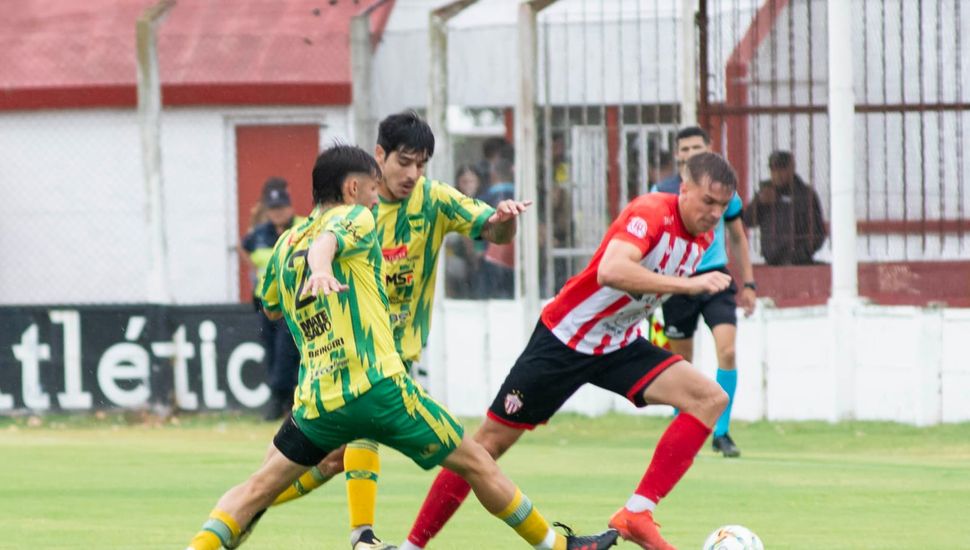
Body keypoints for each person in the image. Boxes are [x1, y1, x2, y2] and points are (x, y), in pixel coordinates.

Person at [185, 144, 618, 550]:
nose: (377, 201)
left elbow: (273, 310)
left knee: (256, 488)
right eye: (373, 191)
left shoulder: (282, 246)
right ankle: (560, 545)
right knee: (477, 462)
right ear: (352, 189)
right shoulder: (354, 217)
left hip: (317, 401)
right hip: (379, 388)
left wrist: (313, 290)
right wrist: (320, 267)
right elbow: (328, 242)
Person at [400, 152, 738, 550]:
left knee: (709, 398)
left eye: (722, 206)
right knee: (485, 447)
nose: (715, 214)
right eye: (707, 201)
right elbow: (611, 270)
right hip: (565, 339)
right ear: (684, 189)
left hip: (618, 345)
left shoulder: (700, 237)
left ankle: (637, 513)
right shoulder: (650, 212)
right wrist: (690, 286)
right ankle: (412, 546)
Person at [240, 111, 543, 550]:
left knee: (331, 458)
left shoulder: (434, 200)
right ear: (379, 156)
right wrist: (319, 272)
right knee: (332, 459)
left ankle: (253, 511)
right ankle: (335, 530)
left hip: (392, 353)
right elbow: (313, 248)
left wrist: (506, 218)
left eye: (422, 165)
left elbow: (495, 233)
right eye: (405, 162)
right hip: (345, 354)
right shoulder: (351, 211)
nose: (413, 174)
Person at [653, 126, 757, 458]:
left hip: (715, 280)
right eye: (685, 148)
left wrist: (750, 284)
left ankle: (722, 433)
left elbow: (738, 237)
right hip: (678, 282)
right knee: (680, 362)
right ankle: (683, 429)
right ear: (678, 155)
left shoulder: (724, 190)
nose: (691, 152)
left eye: (697, 146)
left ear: (709, 148)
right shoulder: (664, 191)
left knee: (726, 351)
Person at [239, 179, 304, 421]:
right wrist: (256, 272)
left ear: (290, 208)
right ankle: (284, 399)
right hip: (265, 301)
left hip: (293, 302)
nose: (278, 214)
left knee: (287, 350)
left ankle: (280, 398)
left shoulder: (302, 226)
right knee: (271, 348)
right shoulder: (260, 233)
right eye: (273, 210)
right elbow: (244, 247)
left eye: (281, 209)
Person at [742, 150, 827, 265]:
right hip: (772, 263)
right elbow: (747, 221)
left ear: (791, 168)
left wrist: (799, 255)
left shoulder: (805, 194)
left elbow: (818, 233)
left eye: (781, 169)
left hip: (800, 265)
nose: (777, 174)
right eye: (773, 170)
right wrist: (759, 203)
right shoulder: (765, 192)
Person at [444, 165, 486, 298]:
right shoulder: (452, 205)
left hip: (481, 259)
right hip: (457, 257)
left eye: (472, 181)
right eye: (464, 182)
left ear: (478, 183)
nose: (468, 186)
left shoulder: (484, 204)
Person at [480, 152, 517, 298]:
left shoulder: (486, 197)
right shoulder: (519, 194)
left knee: (493, 296)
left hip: (492, 253)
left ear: (493, 174)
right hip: (514, 254)